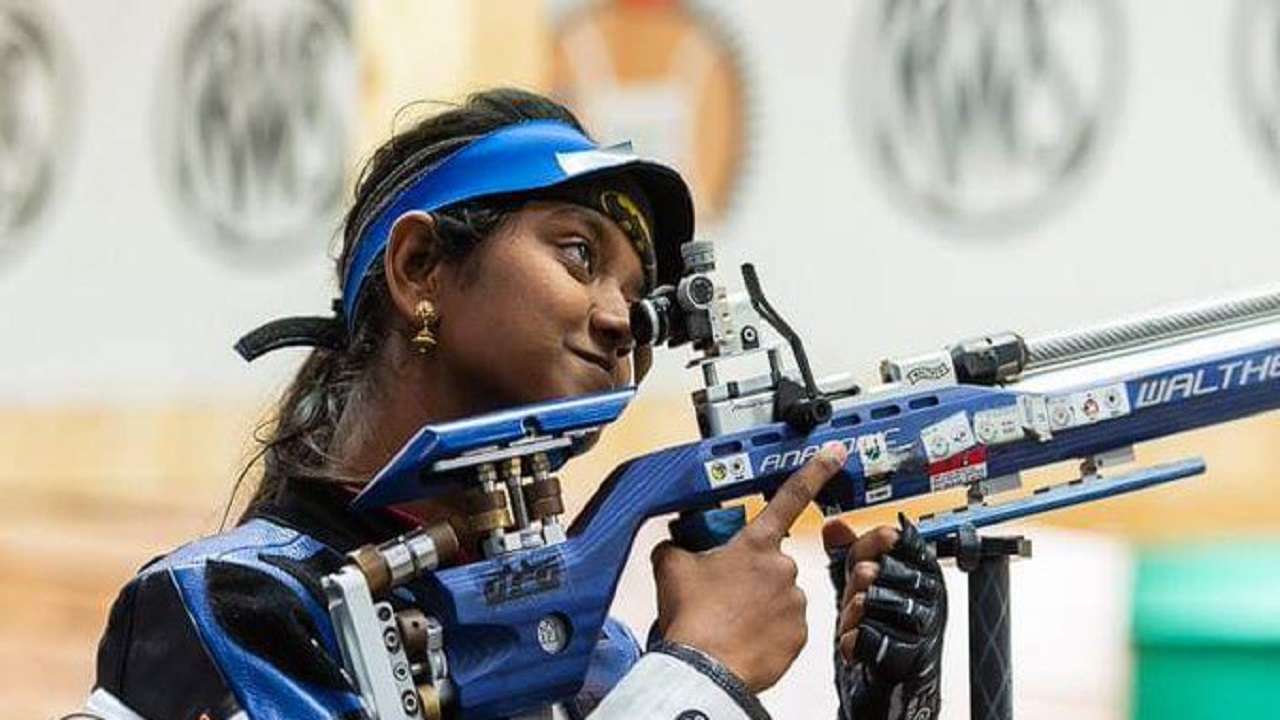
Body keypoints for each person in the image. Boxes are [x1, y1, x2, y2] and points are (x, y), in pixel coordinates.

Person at [83, 88, 946, 720]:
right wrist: (696, 671)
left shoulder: (588, 652)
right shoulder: (224, 605)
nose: (620, 319)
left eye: (639, 296)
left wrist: (884, 704)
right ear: (421, 268)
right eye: (578, 255)